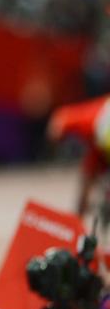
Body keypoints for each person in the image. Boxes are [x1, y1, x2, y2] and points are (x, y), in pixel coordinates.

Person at [48, 96, 110, 224]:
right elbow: (59, 120)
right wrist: (55, 142)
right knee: (86, 183)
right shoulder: (91, 118)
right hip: (98, 150)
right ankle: (76, 223)